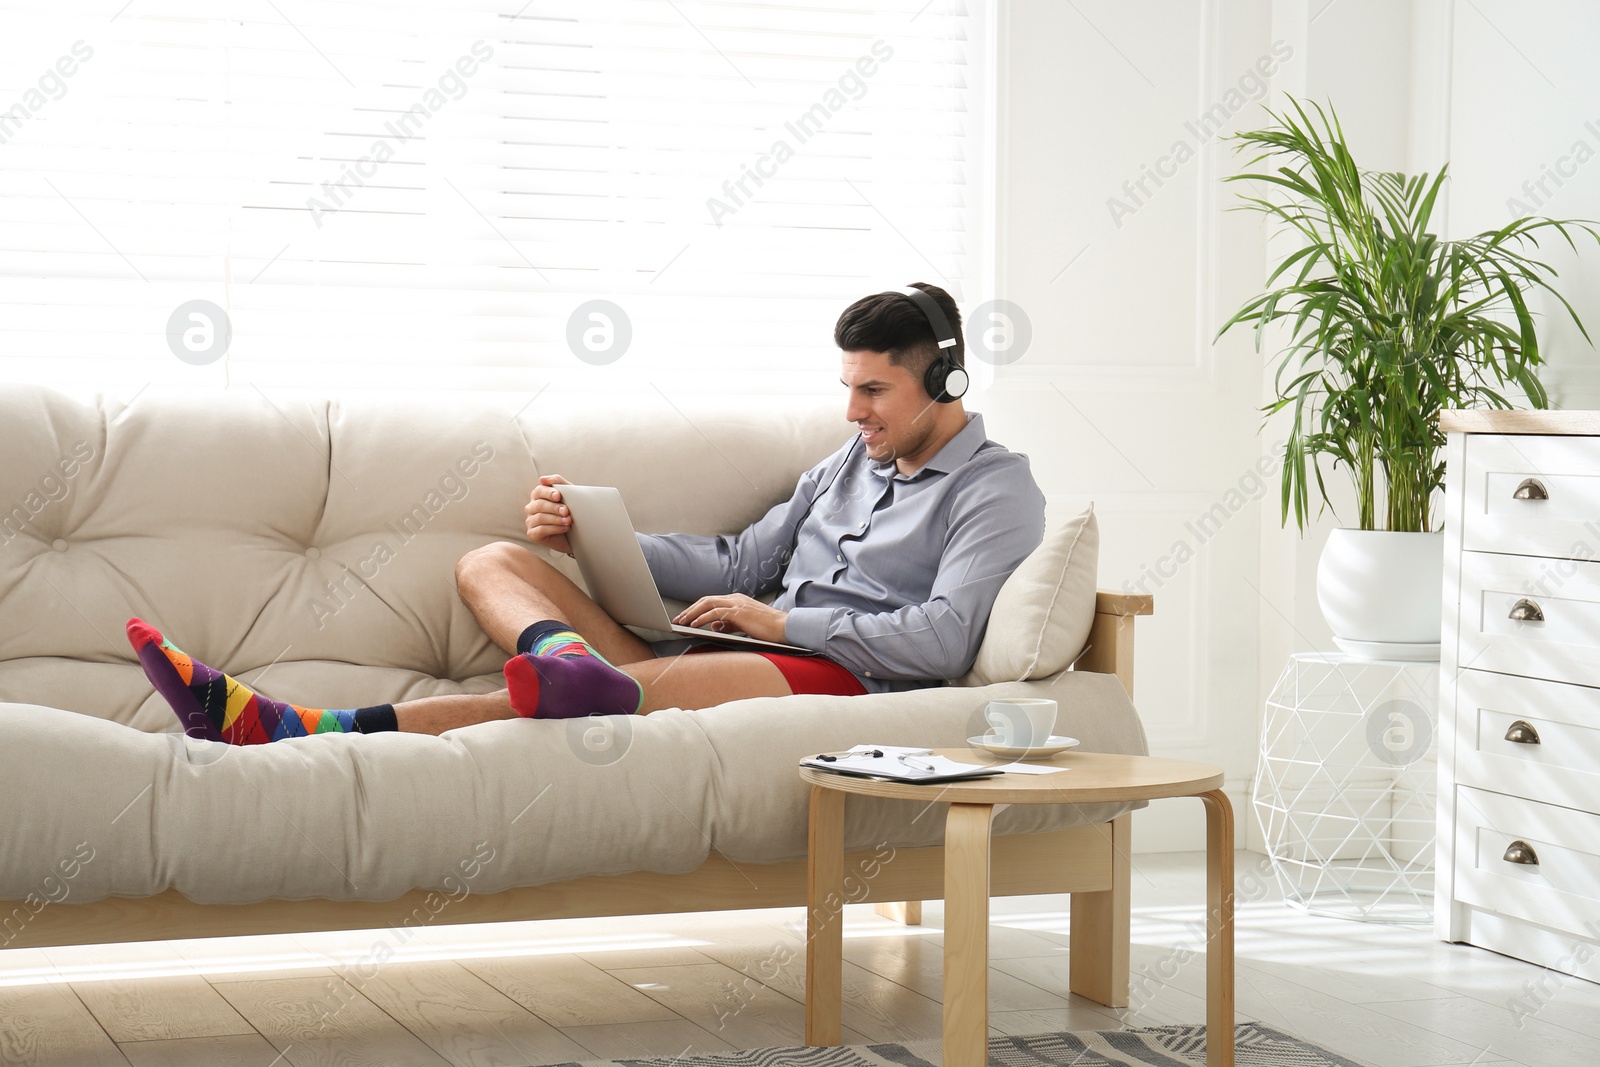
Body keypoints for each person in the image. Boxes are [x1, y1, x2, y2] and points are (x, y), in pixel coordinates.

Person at [127, 283, 1046, 745]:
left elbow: (945, 638)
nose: (852, 412)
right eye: (847, 388)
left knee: (582, 695)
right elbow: (737, 558)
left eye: (874, 390)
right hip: (732, 654)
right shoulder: (851, 456)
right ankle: (572, 664)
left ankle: (286, 728)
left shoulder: (994, 489)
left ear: (943, 380)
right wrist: (590, 535)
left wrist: (782, 622)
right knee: (492, 561)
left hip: (831, 677)